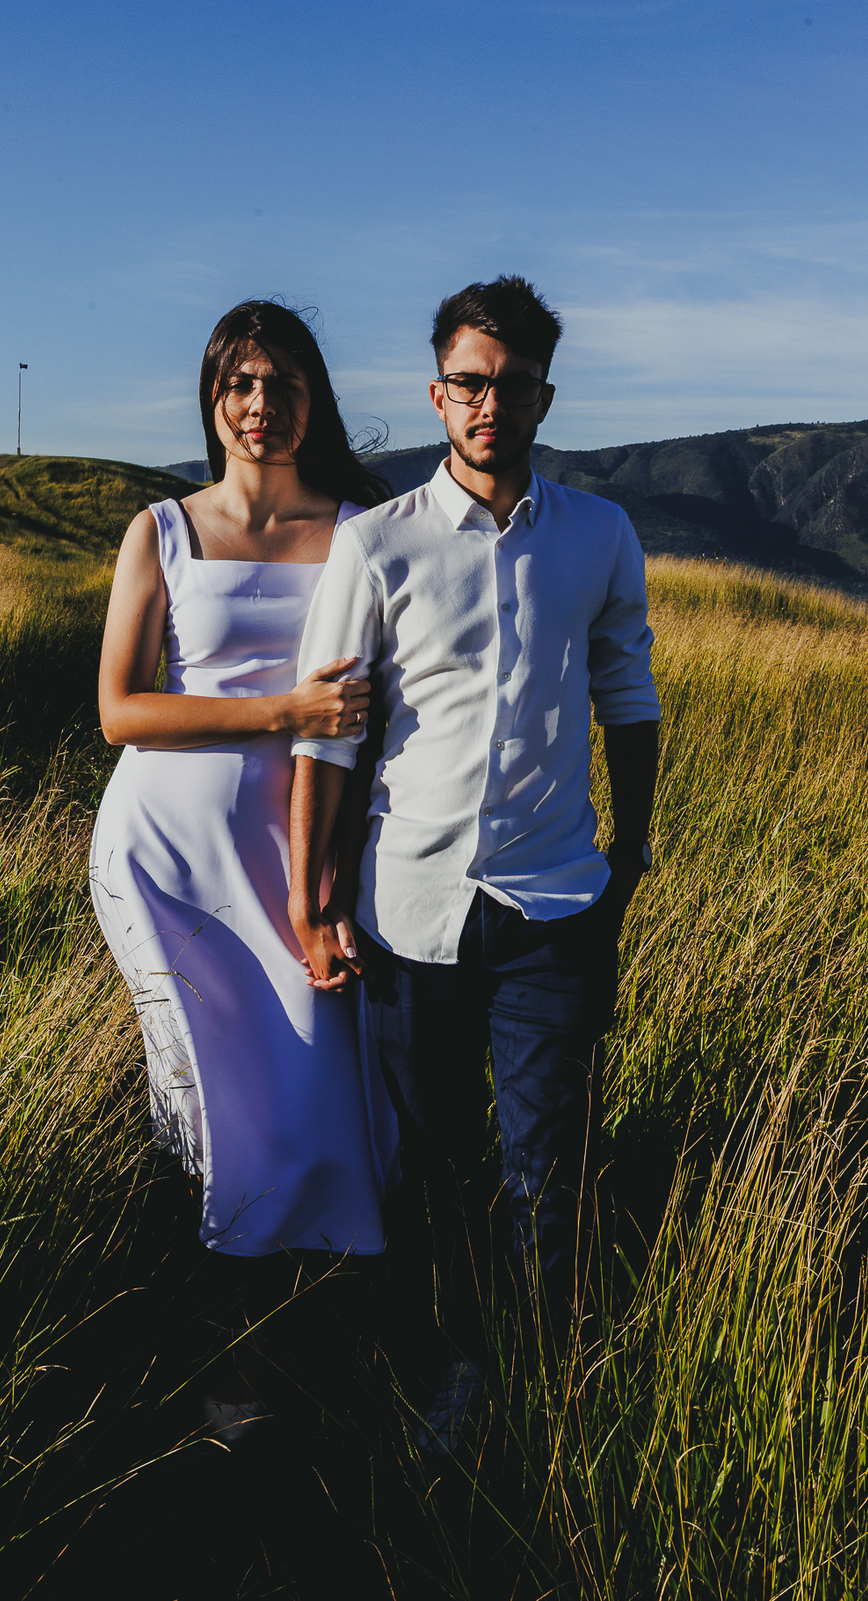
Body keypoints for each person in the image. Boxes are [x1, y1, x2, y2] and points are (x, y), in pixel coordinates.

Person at [287, 275, 660, 1453]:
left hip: (553, 901)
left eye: (510, 384)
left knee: (549, 1160)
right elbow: (330, 736)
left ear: (546, 394)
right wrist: (315, 899)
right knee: (430, 1163)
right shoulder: (375, 544)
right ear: (437, 393)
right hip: (412, 909)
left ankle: (539, 1383)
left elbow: (627, 695)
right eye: (467, 382)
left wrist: (632, 851)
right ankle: (438, 1366)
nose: (488, 403)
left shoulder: (600, 535)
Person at [90, 300, 398, 1441]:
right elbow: (120, 711)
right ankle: (224, 1373)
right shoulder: (161, 529)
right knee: (208, 1113)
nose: (261, 406)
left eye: (283, 384)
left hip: (301, 862)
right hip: (167, 865)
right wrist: (283, 707)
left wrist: (341, 872)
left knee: (325, 1098)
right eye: (240, 383)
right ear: (214, 397)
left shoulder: (360, 529)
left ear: (313, 398)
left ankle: (327, 1346)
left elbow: (382, 714)